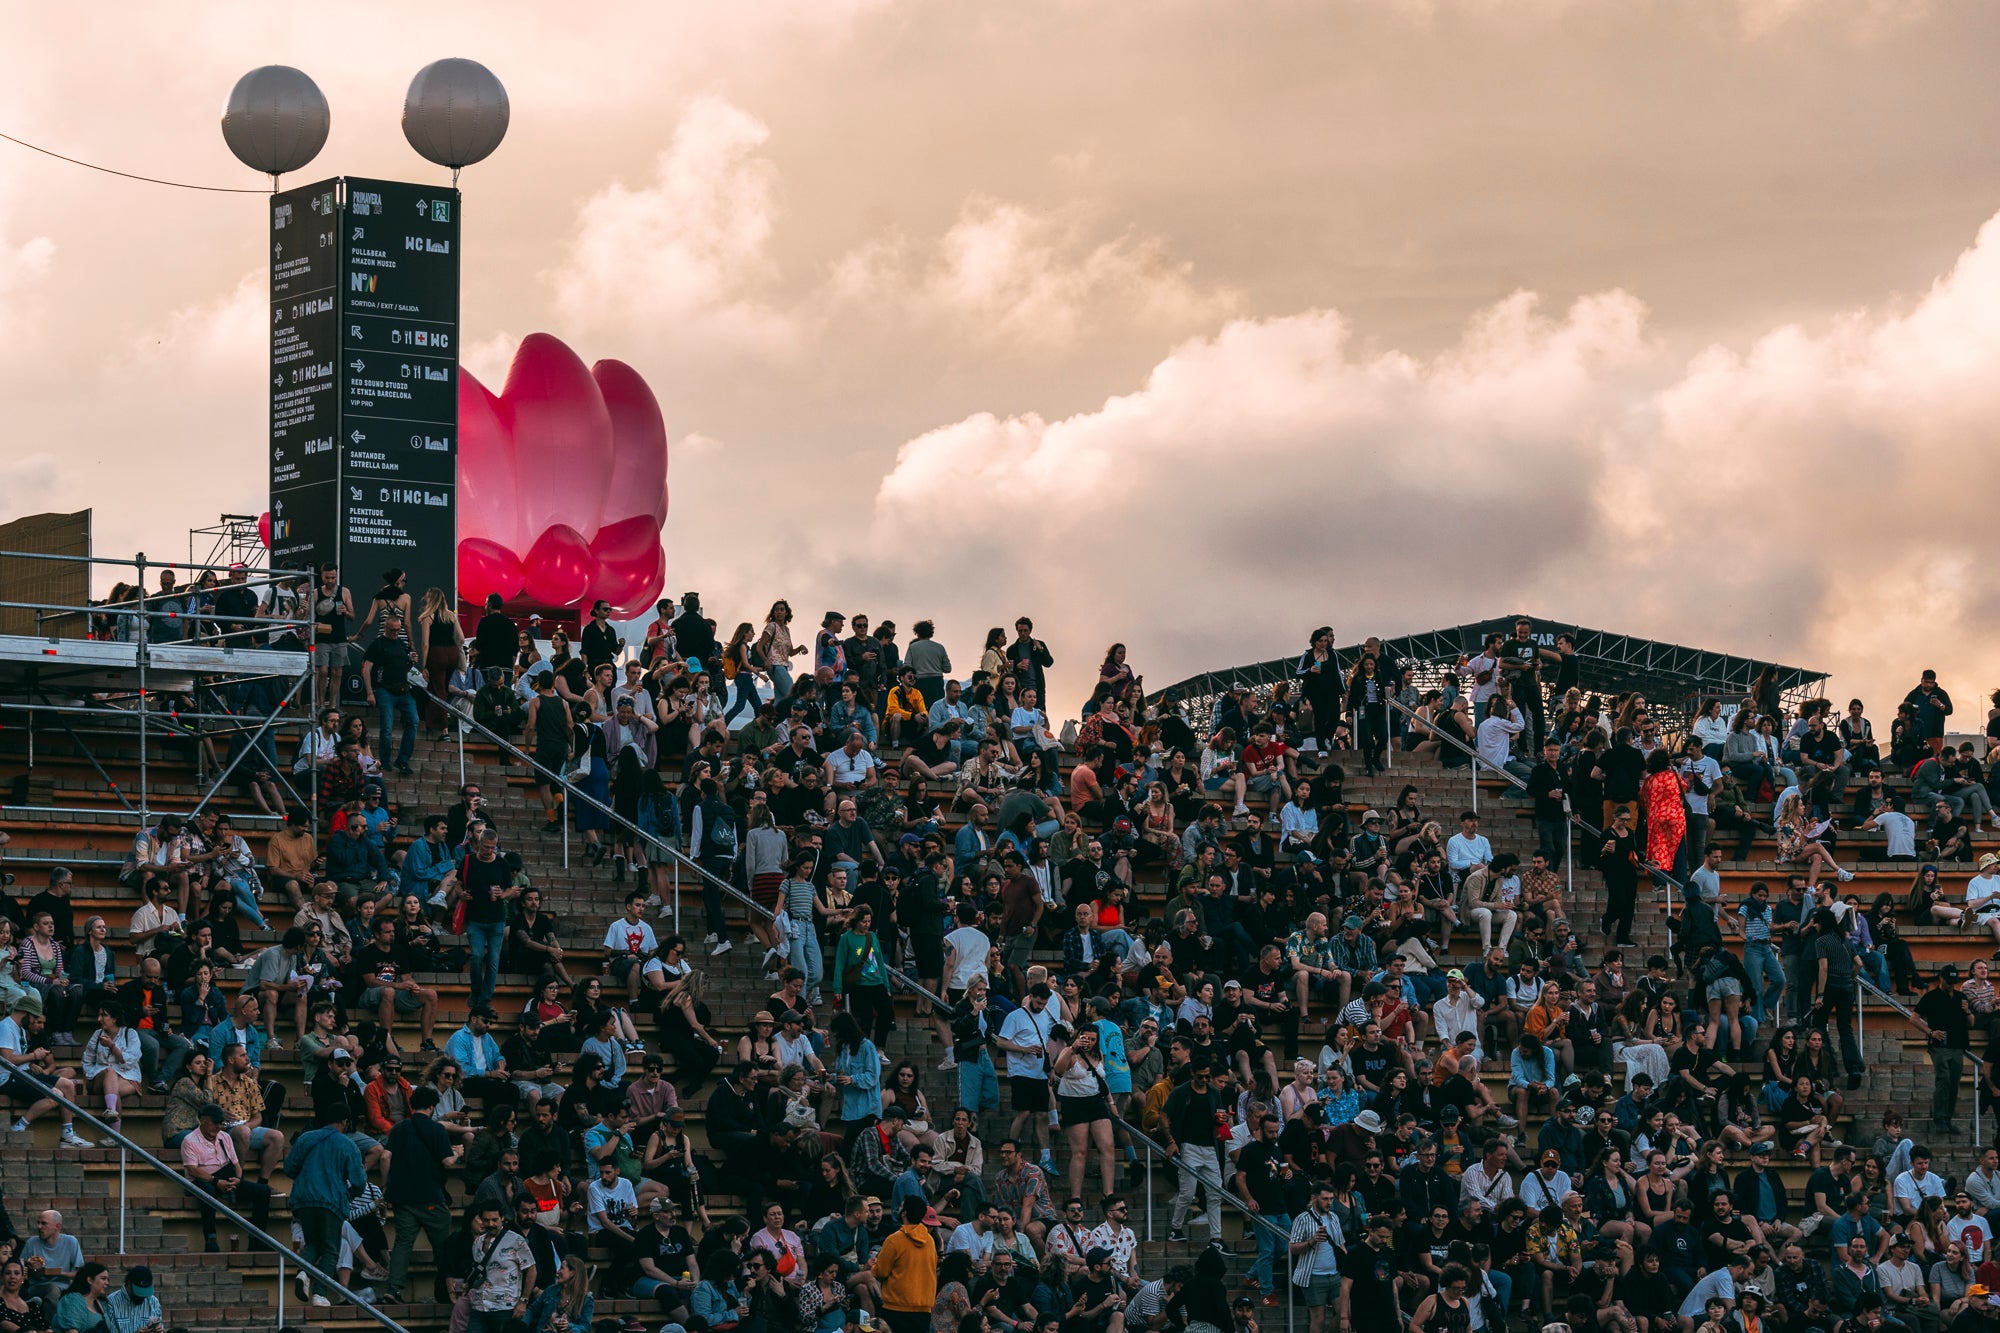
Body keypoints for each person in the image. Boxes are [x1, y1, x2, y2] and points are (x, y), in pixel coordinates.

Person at [382, 1086, 463, 1304]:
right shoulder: (436, 1129)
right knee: (442, 1246)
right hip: (430, 1196)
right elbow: (446, 1162)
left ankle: (394, 1288)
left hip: (401, 1196)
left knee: (403, 1243)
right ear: (432, 1107)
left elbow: (385, 1158)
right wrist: (456, 1153)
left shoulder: (399, 1129)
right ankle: (446, 1290)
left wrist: (385, 1186)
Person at [179, 1103, 273, 1253]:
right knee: (207, 1192)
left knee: (263, 1191)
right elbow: (193, 1170)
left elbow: (236, 1164)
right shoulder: (190, 1140)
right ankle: (211, 1239)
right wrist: (216, 1181)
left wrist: (238, 1179)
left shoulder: (224, 1137)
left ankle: (257, 1239)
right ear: (203, 1120)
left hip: (226, 1177)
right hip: (203, 1180)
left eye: (220, 1123)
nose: (218, 1127)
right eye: (214, 1123)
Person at [877, 1195, 941, 1333]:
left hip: (896, 1308)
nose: (899, 1208)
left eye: (901, 1206)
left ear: (904, 1212)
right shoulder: (930, 1241)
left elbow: (880, 1272)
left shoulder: (893, 1240)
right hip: (923, 1310)